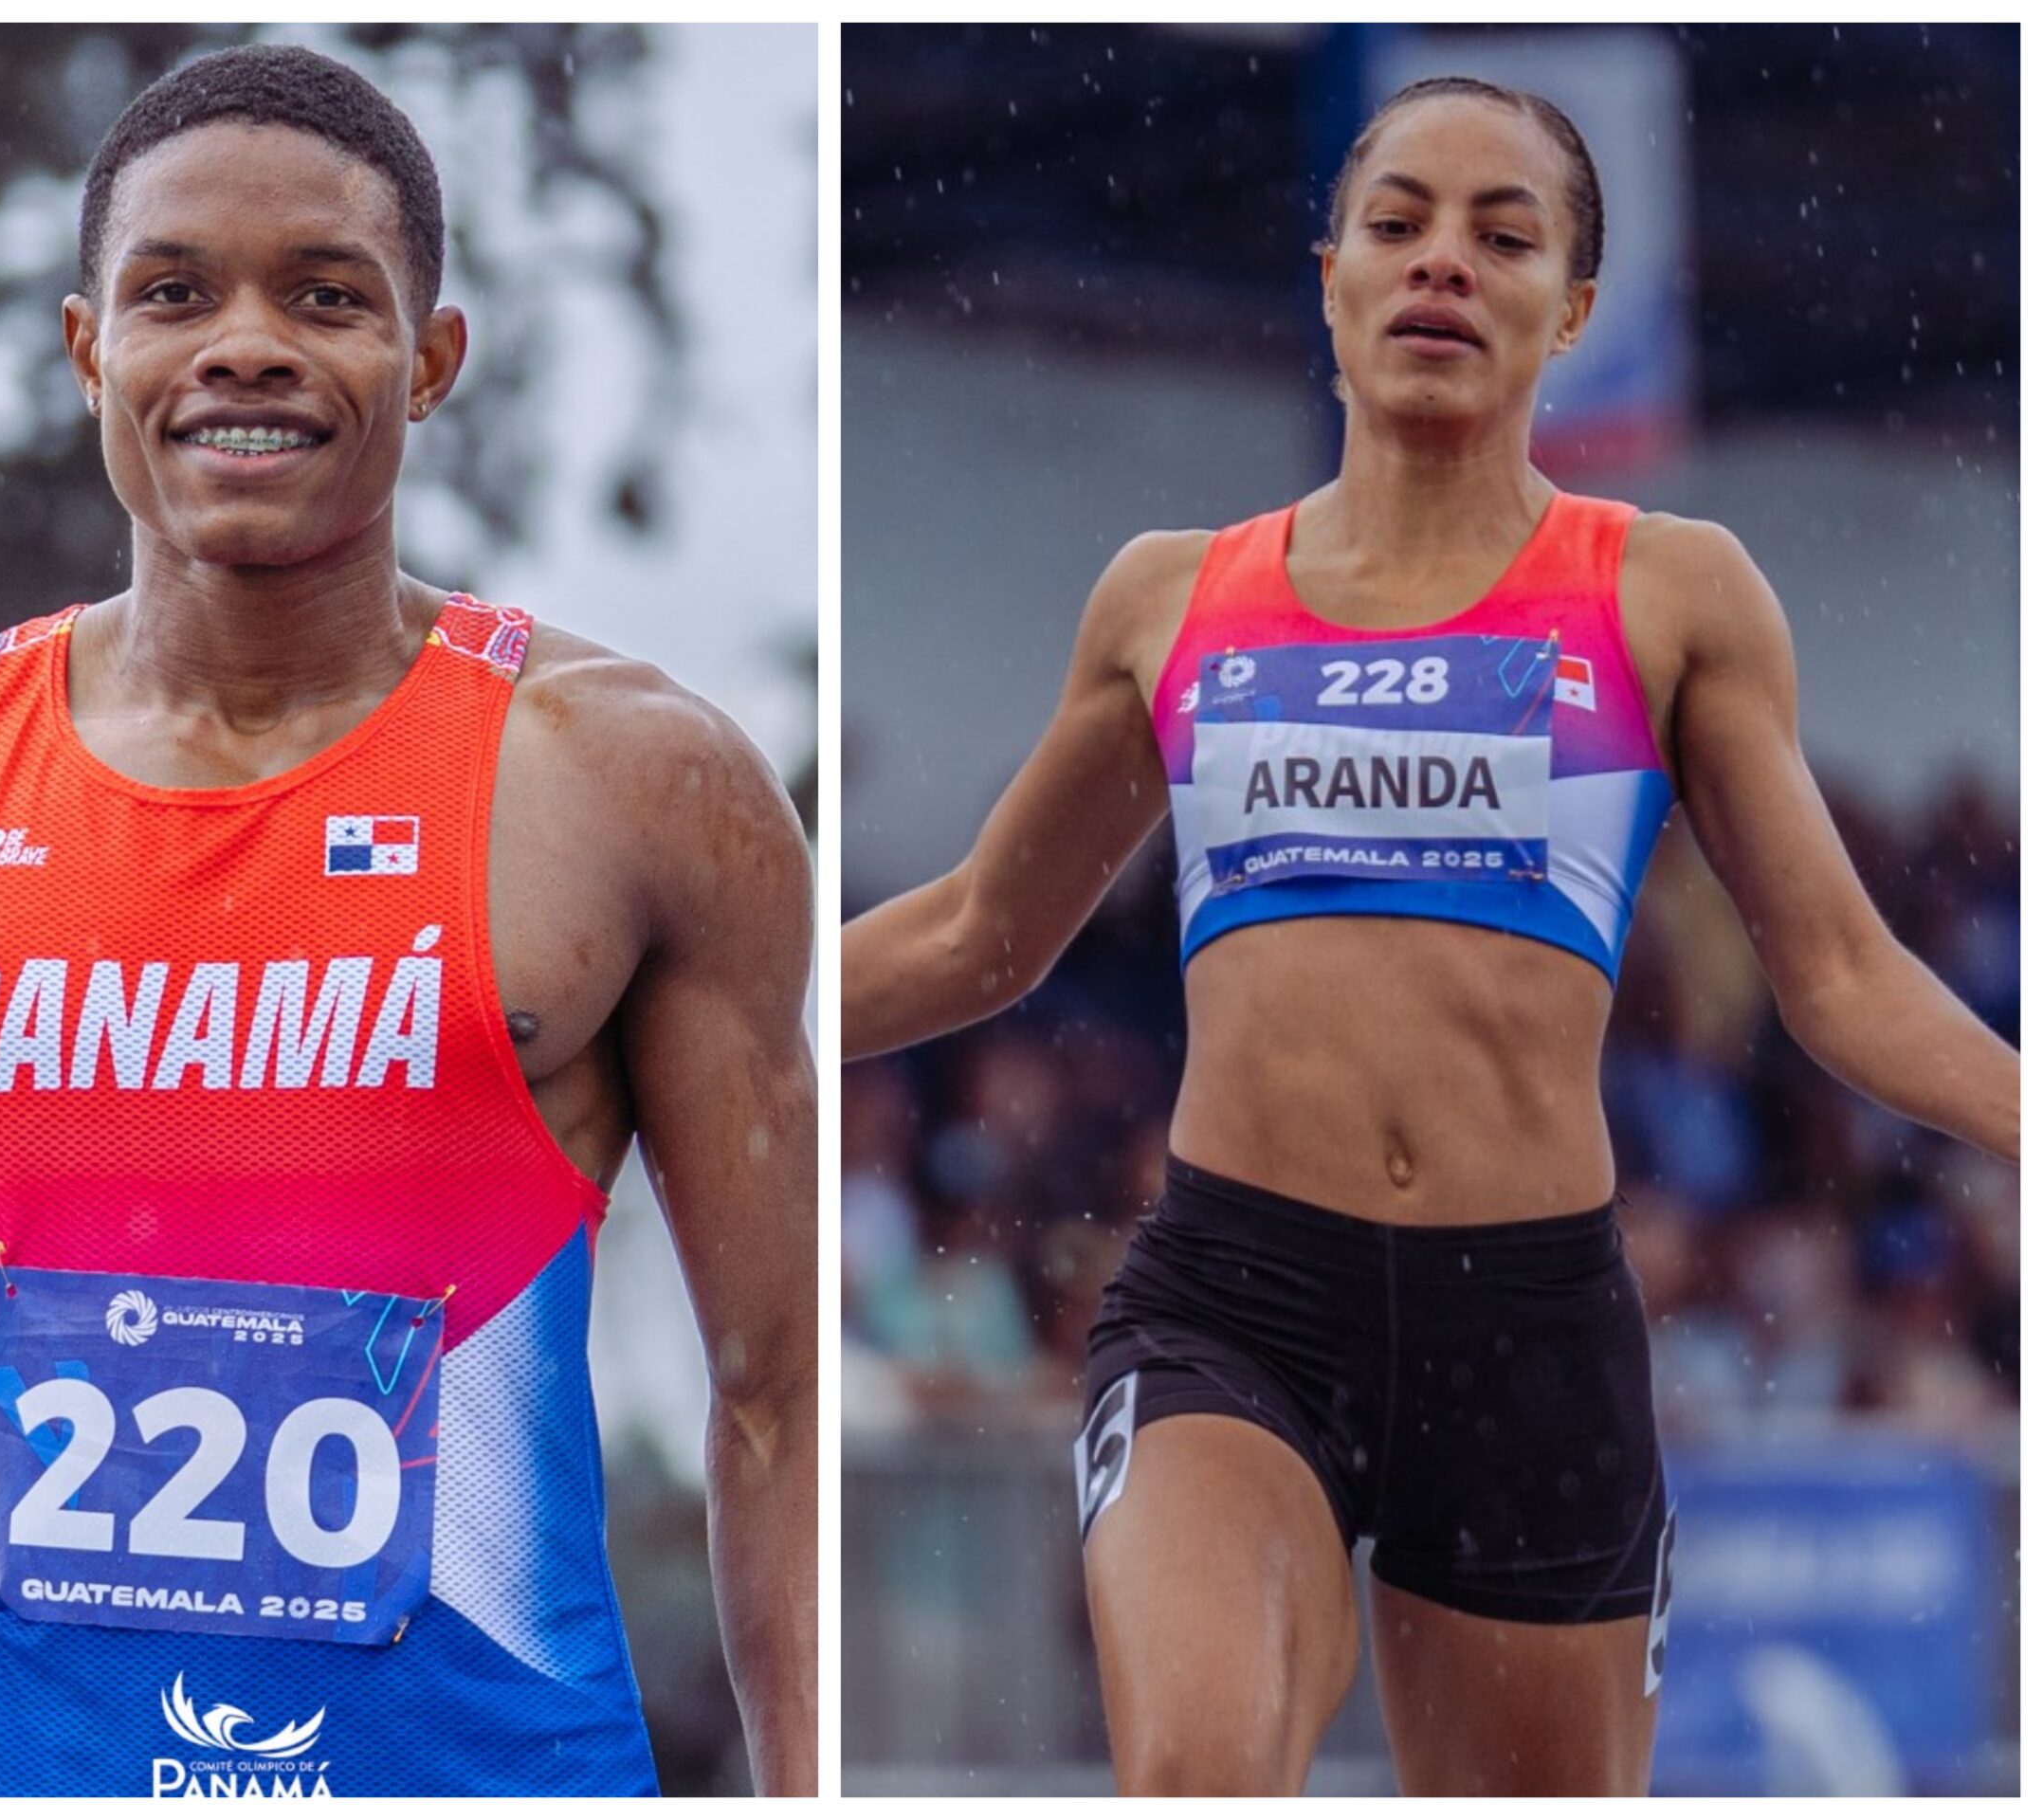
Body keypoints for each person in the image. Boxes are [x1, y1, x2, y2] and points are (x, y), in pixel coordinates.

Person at [0, 44, 815, 1799]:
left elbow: (777, 1398)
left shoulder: (637, 787)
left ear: (429, 362)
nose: (244, 343)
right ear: (86, 350)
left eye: (326, 296)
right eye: (173, 293)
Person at [842, 75, 2016, 1797]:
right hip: (1238, 1307)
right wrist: (705, 1009)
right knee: (1196, 1773)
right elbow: (977, 934)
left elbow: (1837, 977)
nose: (1440, 265)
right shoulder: (1172, 596)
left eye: (1502, 234)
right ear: (1330, 277)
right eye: (1396, 225)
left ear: (1577, 312)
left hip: (1531, 1331)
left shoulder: (1669, 591)